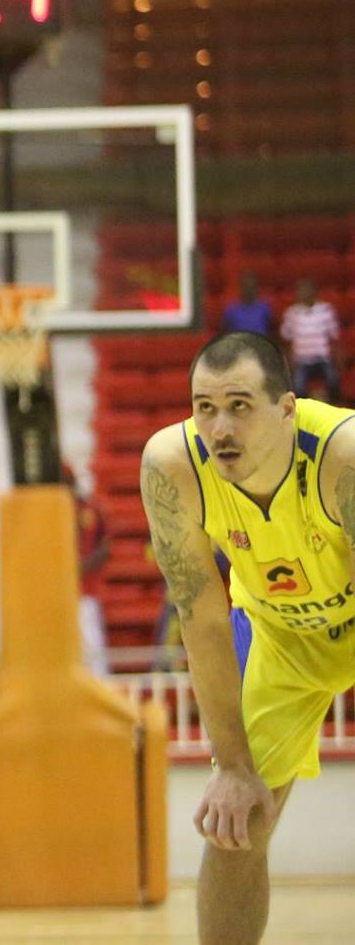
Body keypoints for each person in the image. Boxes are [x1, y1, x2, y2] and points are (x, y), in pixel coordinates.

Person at [139, 330, 355, 945]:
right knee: (236, 822)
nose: (220, 427)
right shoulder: (172, 467)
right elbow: (200, 614)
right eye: (205, 407)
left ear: (286, 409)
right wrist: (232, 765)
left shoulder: (344, 455)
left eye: (240, 405)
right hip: (280, 636)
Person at [280, 277, 342, 404]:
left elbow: (334, 336)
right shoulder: (292, 313)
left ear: (314, 291)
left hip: (323, 358)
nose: (302, 293)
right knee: (298, 388)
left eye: (305, 290)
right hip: (302, 360)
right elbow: (286, 337)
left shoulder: (326, 310)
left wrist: (338, 355)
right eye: (300, 291)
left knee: (333, 381)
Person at [74, 478, 113, 674]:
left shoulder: (91, 509)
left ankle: (101, 681)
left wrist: (83, 565)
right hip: (61, 589)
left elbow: (106, 547)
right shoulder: (53, 510)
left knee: (91, 637)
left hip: (86, 589)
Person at [222, 272, 274, 337]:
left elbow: (271, 332)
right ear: (241, 288)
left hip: (260, 345)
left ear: (256, 288)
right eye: (246, 287)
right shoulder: (231, 310)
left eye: (251, 287)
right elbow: (225, 335)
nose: (249, 290)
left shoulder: (265, 308)